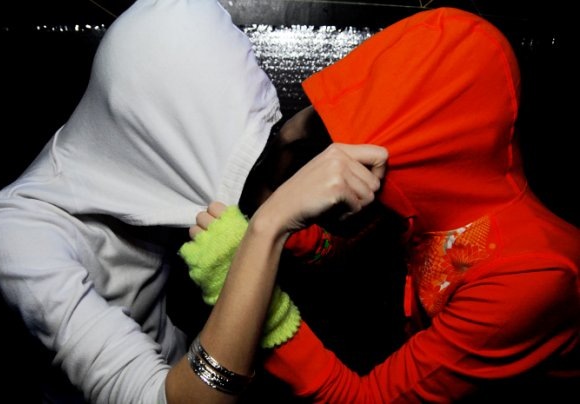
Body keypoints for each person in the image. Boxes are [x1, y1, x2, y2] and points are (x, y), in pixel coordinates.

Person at [0, 0, 377, 402]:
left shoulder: (139, 159)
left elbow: (237, 191)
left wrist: (285, 140)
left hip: (190, 356)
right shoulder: (14, 237)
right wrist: (269, 225)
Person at [179, 6, 580, 403]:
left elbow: (364, 399)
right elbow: (333, 251)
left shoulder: (531, 276)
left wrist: (246, 286)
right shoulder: (432, 204)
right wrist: (286, 148)